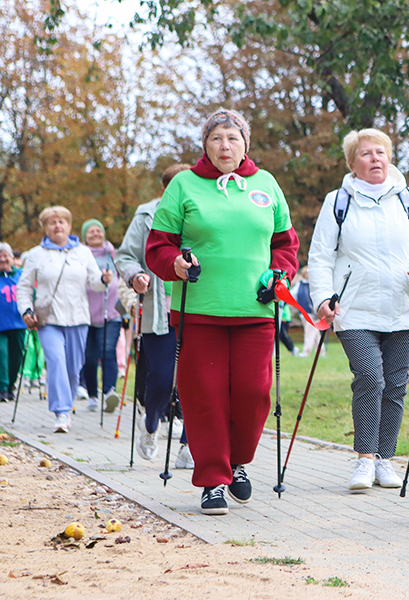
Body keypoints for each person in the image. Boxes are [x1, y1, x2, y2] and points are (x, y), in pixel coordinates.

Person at [146, 110, 299, 515]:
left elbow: (285, 244)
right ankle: (212, 479)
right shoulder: (184, 185)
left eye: (233, 138)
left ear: (246, 143)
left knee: (252, 395)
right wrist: (176, 264)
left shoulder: (265, 184)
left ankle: (238, 462)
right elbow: (158, 246)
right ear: (205, 144)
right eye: (216, 138)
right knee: (205, 398)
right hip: (200, 311)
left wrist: (279, 272)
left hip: (256, 309)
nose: (225, 146)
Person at [308, 128, 409, 492]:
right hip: (355, 308)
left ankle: (385, 460)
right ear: (352, 163)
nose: (375, 158)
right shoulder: (338, 201)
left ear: (390, 157)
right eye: (366, 153)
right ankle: (364, 460)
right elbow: (320, 256)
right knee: (370, 378)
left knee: (396, 386)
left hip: (403, 308)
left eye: (381, 152)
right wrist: (322, 297)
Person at [116, 163, 193, 470]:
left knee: (197, 381)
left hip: (199, 308)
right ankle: (150, 425)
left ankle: (189, 444)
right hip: (159, 310)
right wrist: (135, 275)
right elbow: (126, 255)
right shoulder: (147, 215)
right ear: (165, 190)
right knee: (160, 379)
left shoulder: (207, 212)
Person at [17, 206, 112, 433]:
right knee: (57, 361)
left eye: (61, 222)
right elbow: (24, 287)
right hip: (48, 320)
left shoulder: (82, 252)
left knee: (72, 368)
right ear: (45, 228)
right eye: (52, 222)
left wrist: (104, 278)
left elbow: (95, 283)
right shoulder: (35, 255)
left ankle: (66, 406)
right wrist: (26, 310)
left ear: (69, 226)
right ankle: (61, 411)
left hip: (78, 318)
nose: (57, 226)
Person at [80, 219, 122, 413]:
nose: (95, 234)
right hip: (86, 315)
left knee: (108, 351)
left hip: (111, 313)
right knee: (89, 358)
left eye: (98, 230)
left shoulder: (113, 254)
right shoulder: (80, 255)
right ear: (85, 236)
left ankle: (109, 392)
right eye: (91, 231)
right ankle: (92, 395)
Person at [0, 243, 27, 402]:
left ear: (11, 258)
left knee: (16, 356)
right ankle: (2, 388)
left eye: (6, 255)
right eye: (0, 256)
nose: (3, 259)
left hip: (18, 323)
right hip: (1, 324)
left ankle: (10, 385)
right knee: (1, 355)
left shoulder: (21, 275)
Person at [292, 266, 322, 357]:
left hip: (313, 312)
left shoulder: (314, 284)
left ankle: (306, 351)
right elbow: (293, 295)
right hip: (303, 311)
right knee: (315, 333)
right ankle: (321, 351)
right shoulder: (300, 284)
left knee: (310, 332)